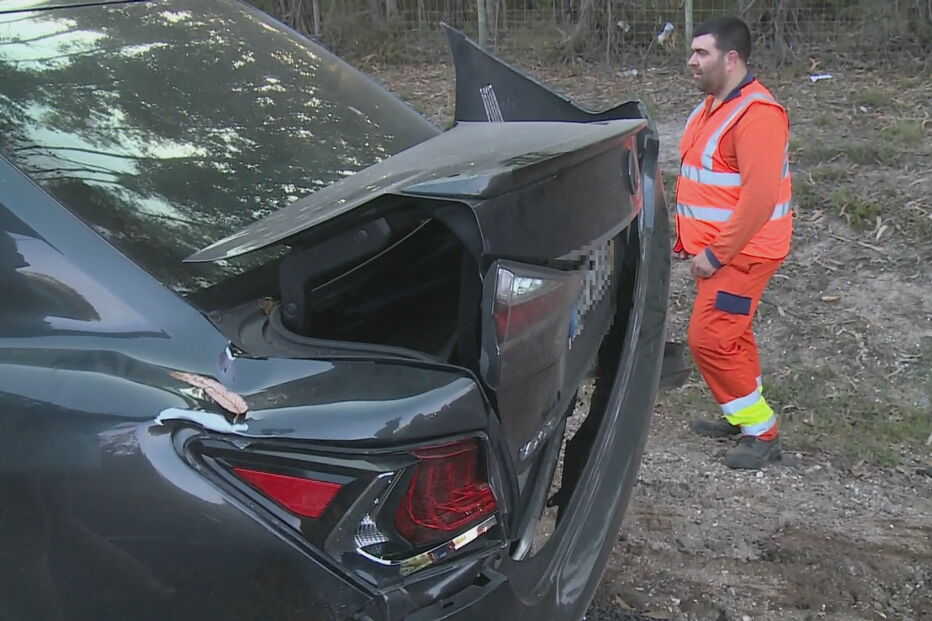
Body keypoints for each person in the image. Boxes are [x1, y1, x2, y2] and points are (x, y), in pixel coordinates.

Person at [674, 16, 793, 469]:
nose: (692, 61)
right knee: (731, 335)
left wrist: (715, 254)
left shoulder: (757, 115)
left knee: (711, 340)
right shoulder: (713, 106)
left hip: (742, 253)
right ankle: (742, 414)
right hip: (726, 250)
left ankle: (762, 432)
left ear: (731, 58)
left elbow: (759, 198)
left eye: (701, 53)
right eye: (691, 52)